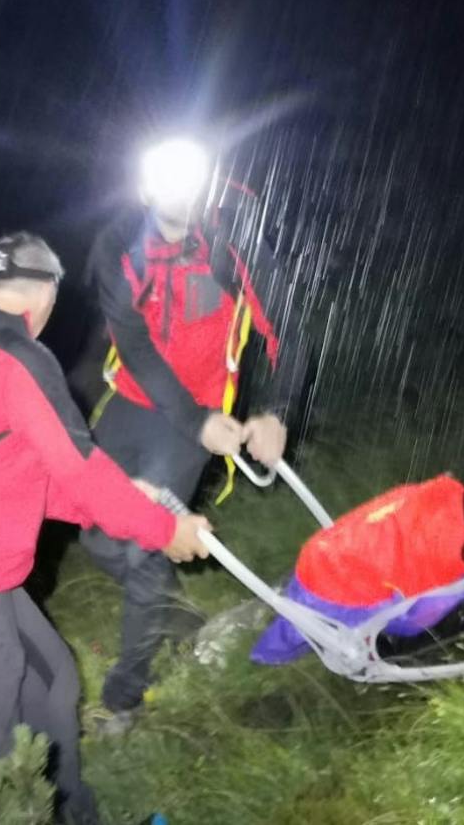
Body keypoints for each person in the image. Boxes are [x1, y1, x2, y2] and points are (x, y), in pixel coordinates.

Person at [0, 232, 212, 824]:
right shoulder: (15, 356)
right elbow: (80, 469)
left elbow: (17, 471)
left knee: (52, 686)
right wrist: (162, 528)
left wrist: (127, 498)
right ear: (45, 297)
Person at [83, 136, 310, 734]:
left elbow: (288, 326)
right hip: (134, 404)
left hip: (192, 422)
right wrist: (194, 419)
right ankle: (180, 617)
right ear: (143, 186)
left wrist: (276, 412)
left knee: (140, 544)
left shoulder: (233, 241)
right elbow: (132, 343)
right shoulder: (116, 245)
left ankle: (124, 699)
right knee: (98, 538)